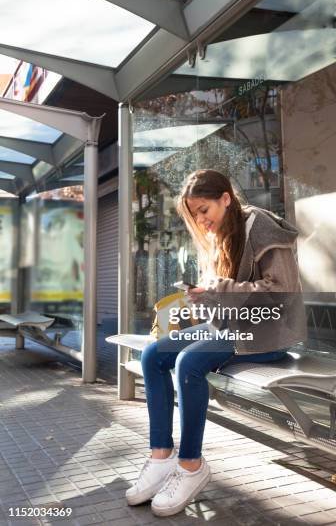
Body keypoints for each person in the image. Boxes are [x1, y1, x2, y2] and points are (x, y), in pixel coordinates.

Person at [126, 169, 306, 517]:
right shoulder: (221, 235)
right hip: (228, 329)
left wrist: (219, 291)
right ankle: (161, 456)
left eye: (204, 210)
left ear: (226, 199)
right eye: (194, 214)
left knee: (188, 364)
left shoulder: (262, 227)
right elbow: (226, 297)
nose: (200, 220)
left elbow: (280, 294)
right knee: (152, 355)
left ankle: (192, 465)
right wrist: (203, 297)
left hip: (266, 334)